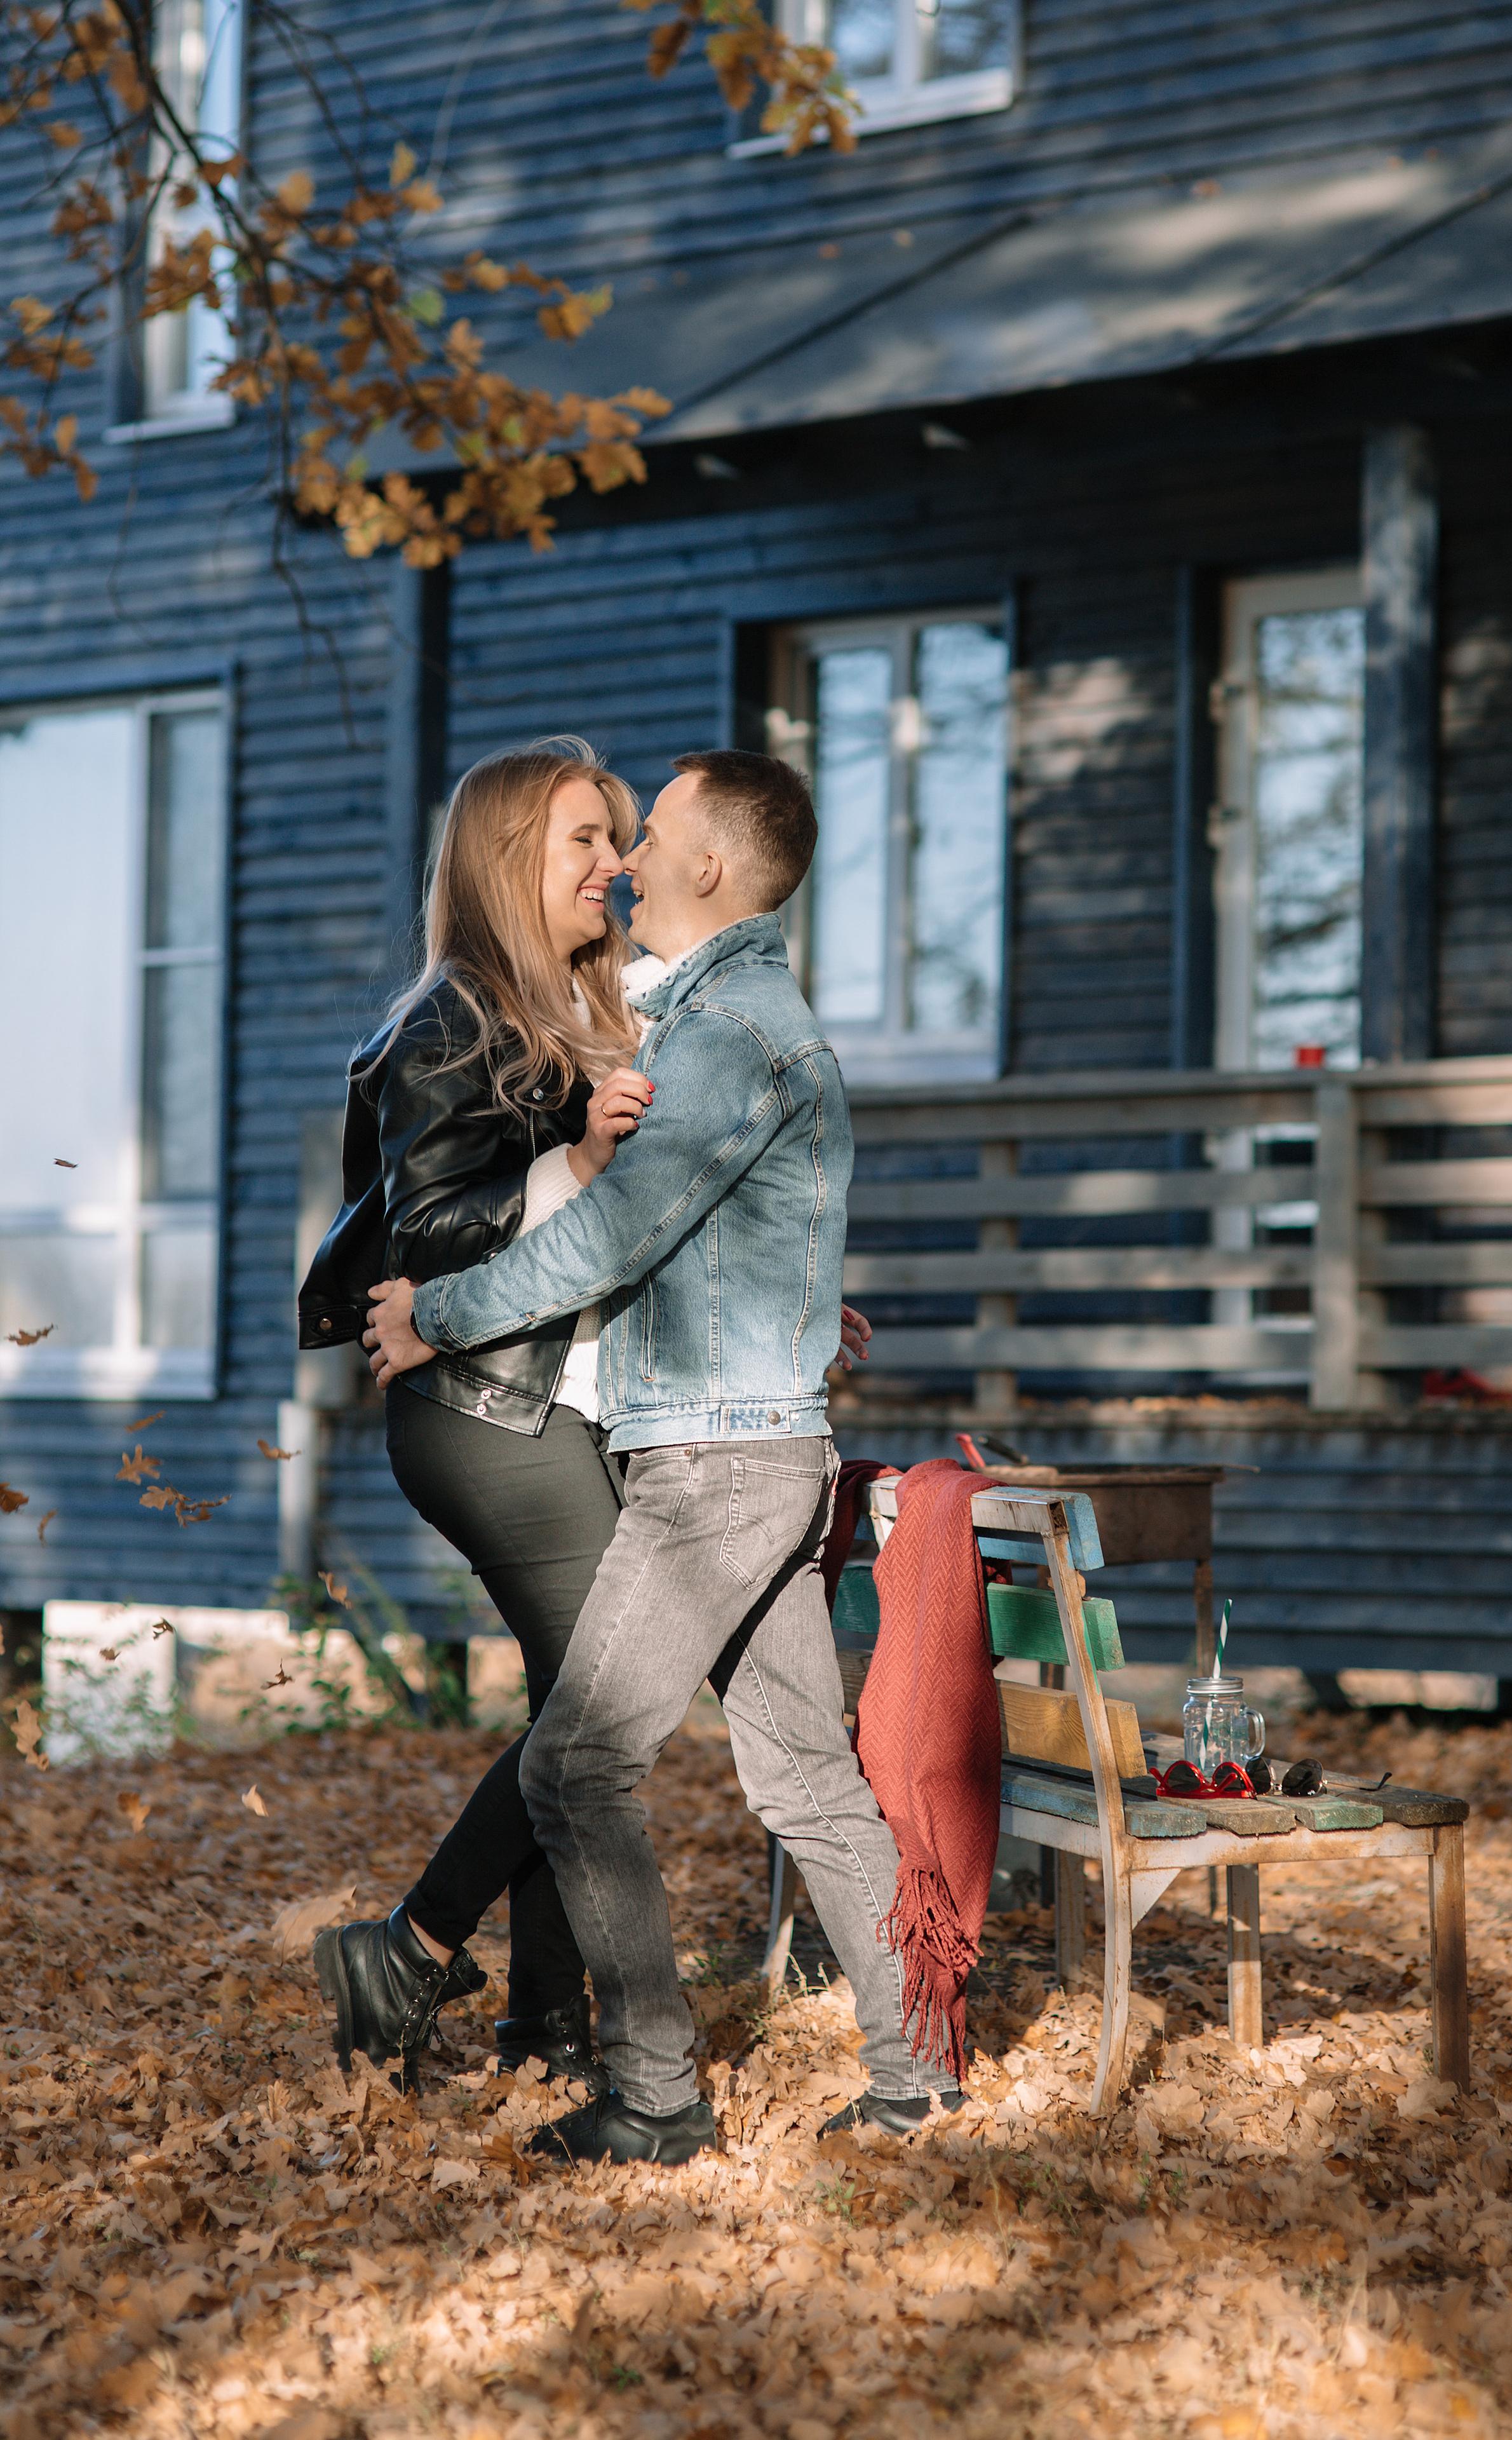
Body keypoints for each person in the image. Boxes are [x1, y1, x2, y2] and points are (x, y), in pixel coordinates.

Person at [367, 748, 962, 2167]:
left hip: (712, 1470)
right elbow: (721, 1221)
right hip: (754, 1447)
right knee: (806, 1775)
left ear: (707, 867)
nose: (628, 861)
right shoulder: (730, 1017)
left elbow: (615, 1234)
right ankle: (917, 2074)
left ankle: (653, 2097)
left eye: (654, 837)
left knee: (576, 1768)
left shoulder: (725, 1034)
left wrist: (431, 1314)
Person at [296, 737, 660, 2091]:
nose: (614, 865)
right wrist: (578, 1153)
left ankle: (544, 2028)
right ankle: (411, 1948)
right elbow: (431, 1229)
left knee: (580, 1706)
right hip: (476, 1407)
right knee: (607, 1704)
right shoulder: (454, 1014)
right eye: (584, 839)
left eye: (619, 839)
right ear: (510, 859)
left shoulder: (570, 1006)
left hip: (548, 1401)